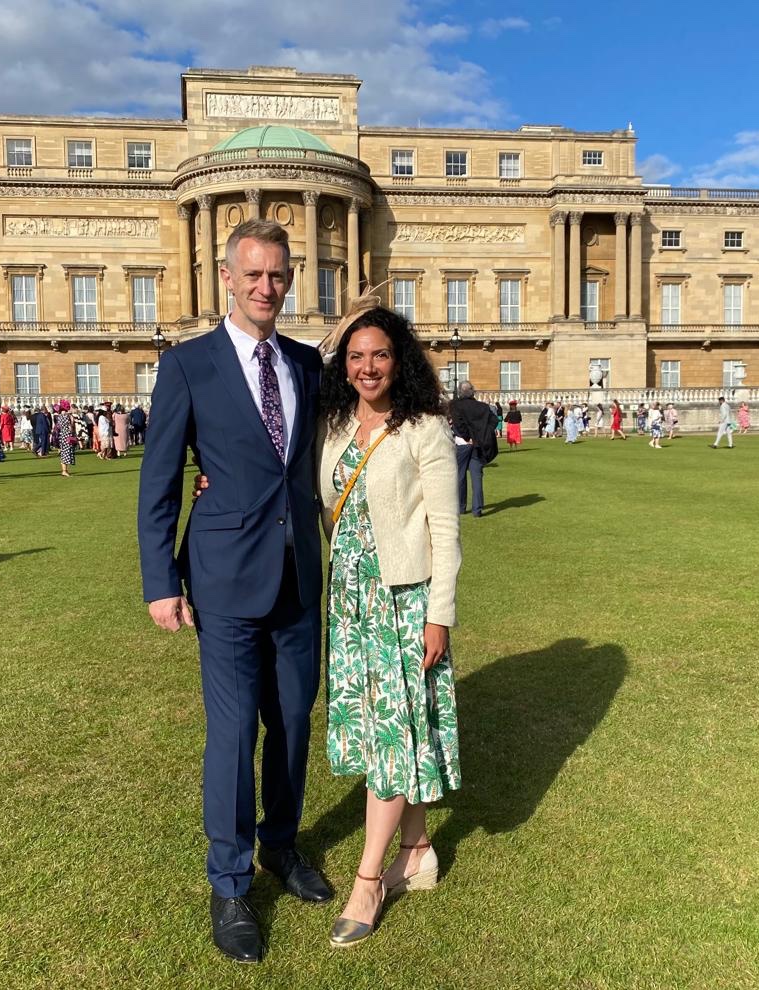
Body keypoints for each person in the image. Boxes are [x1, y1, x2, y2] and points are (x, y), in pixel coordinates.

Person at [138, 219, 329, 965]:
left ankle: (281, 844)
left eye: (277, 275)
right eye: (253, 274)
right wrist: (162, 583)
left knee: (294, 722)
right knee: (233, 733)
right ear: (227, 276)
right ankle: (229, 881)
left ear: (290, 278)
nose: (266, 287)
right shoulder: (189, 364)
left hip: (297, 574)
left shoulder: (307, 364)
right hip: (222, 579)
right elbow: (159, 482)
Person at [318, 302, 460, 947]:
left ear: (399, 361)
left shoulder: (424, 428)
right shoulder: (335, 425)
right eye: (356, 355)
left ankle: (368, 879)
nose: (367, 366)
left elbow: (445, 531)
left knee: (393, 735)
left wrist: (439, 615)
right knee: (397, 724)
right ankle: (418, 850)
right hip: (350, 599)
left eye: (379, 354)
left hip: (402, 599)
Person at [448, 380, 496, 517]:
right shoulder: (482, 407)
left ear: (460, 391)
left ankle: (461, 507)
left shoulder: (455, 405)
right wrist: (481, 435)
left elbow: (459, 424)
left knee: (460, 475)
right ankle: (477, 509)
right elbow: (494, 421)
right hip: (477, 444)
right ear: (472, 391)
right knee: (476, 476)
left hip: (463, 444)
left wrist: (467, 436)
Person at [56, 399, 75, 476]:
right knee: (67, 453)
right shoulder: (67, 416)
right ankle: (64, 471)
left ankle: (64, 470)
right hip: (67, 435)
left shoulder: (59, 417)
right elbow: (71, 427)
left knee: (63, 452)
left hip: (62, 435)